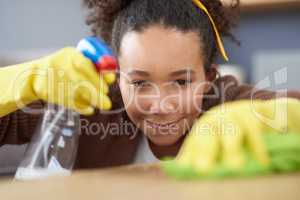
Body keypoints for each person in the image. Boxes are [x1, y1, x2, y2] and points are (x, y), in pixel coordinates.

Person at [0, 0, 299, 171]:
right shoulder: (88, 99)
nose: (160, 105)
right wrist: (21, 80)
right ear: (118, 76)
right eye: (140, 83)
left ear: (209, 80)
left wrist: (278, 116)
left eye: (181, 82)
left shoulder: (227, 103)